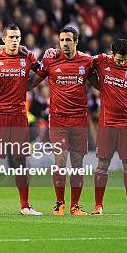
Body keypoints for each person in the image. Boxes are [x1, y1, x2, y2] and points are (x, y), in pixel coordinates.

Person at [30, 27, 96, 215]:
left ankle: (75, 206)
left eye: (68, 40)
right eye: (62, 40)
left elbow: (98, 83)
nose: (64, 43)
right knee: (60, 162)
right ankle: (60, 203)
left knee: (77, 164)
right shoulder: (50, 59)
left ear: (76, 42)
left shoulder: (87, 61)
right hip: (58, 119)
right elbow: (33, 81)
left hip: (79, 120)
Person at [0, 23, 43, 216]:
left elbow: (43, 72)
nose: (15, 41)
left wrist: (28, 86)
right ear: (4, 39)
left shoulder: (28, 57)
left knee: (20, 160)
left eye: (17, 37)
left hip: (19, 116)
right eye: (11, 37)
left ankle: (25, 206)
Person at [92, 39, 127, 215]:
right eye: (119, 60)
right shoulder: (101, 60)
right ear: (111, 54)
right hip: (107, 123)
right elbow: (82, 60)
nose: (122, 63)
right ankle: (98, 205)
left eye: (125, 59)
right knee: (102, 165)